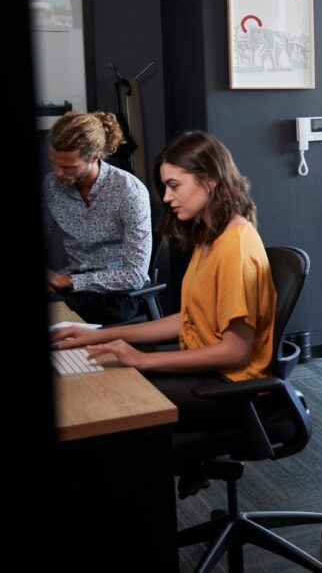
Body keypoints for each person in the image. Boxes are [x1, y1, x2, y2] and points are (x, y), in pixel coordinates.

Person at [50, 131, 277, 432]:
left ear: (209, 180)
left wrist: (142, 361)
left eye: (174, 186)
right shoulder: (211, 236)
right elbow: (190, 319)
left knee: (112, 397)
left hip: (230, 385)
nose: (167, 198)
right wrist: (98, 335)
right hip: (207, 370)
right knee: (107, 373)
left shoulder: (235, 246)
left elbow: (235, 351)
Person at [43, 111, 152, 324]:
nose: (57, 173)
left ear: (94, 157)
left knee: (61, 321)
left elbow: (135, 275)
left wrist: (70, 281)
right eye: (53, 164)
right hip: (73, 289)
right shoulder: (51, 186)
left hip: (118, 294)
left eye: (67, 167)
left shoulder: (128, 191)